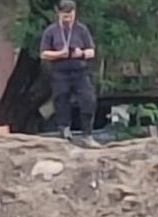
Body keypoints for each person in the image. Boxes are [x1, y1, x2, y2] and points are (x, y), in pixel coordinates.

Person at [39, 1, 97, 140]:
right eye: (65, 15)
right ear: (58, 13)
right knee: (61, 99)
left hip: (79, 69)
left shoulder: (81, 30)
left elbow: (91, 51)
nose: (68, 18)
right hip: (60, 70)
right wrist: (59, 54)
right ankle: (64, 130)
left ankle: (87, 133)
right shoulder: (51, 31)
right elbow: (43, 53)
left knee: (88, 99)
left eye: (70, 15)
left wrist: (81, 53)